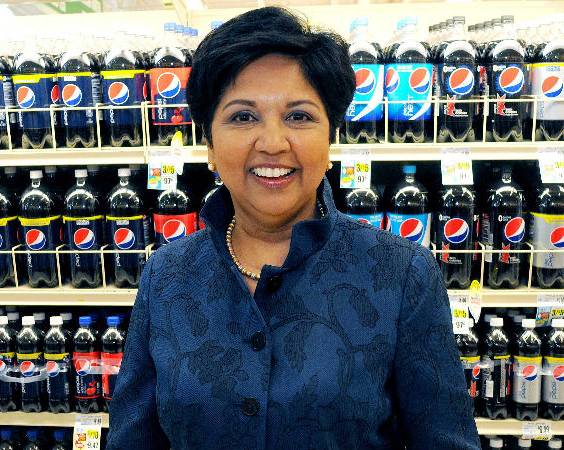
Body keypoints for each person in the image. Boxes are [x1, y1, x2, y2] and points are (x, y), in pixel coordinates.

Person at [107, 7, 480, 450]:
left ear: (330, 139)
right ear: (208, 145)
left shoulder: (401, 273)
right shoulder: (166, 275)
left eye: (299, 116)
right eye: (243, 117)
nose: (272, 143)